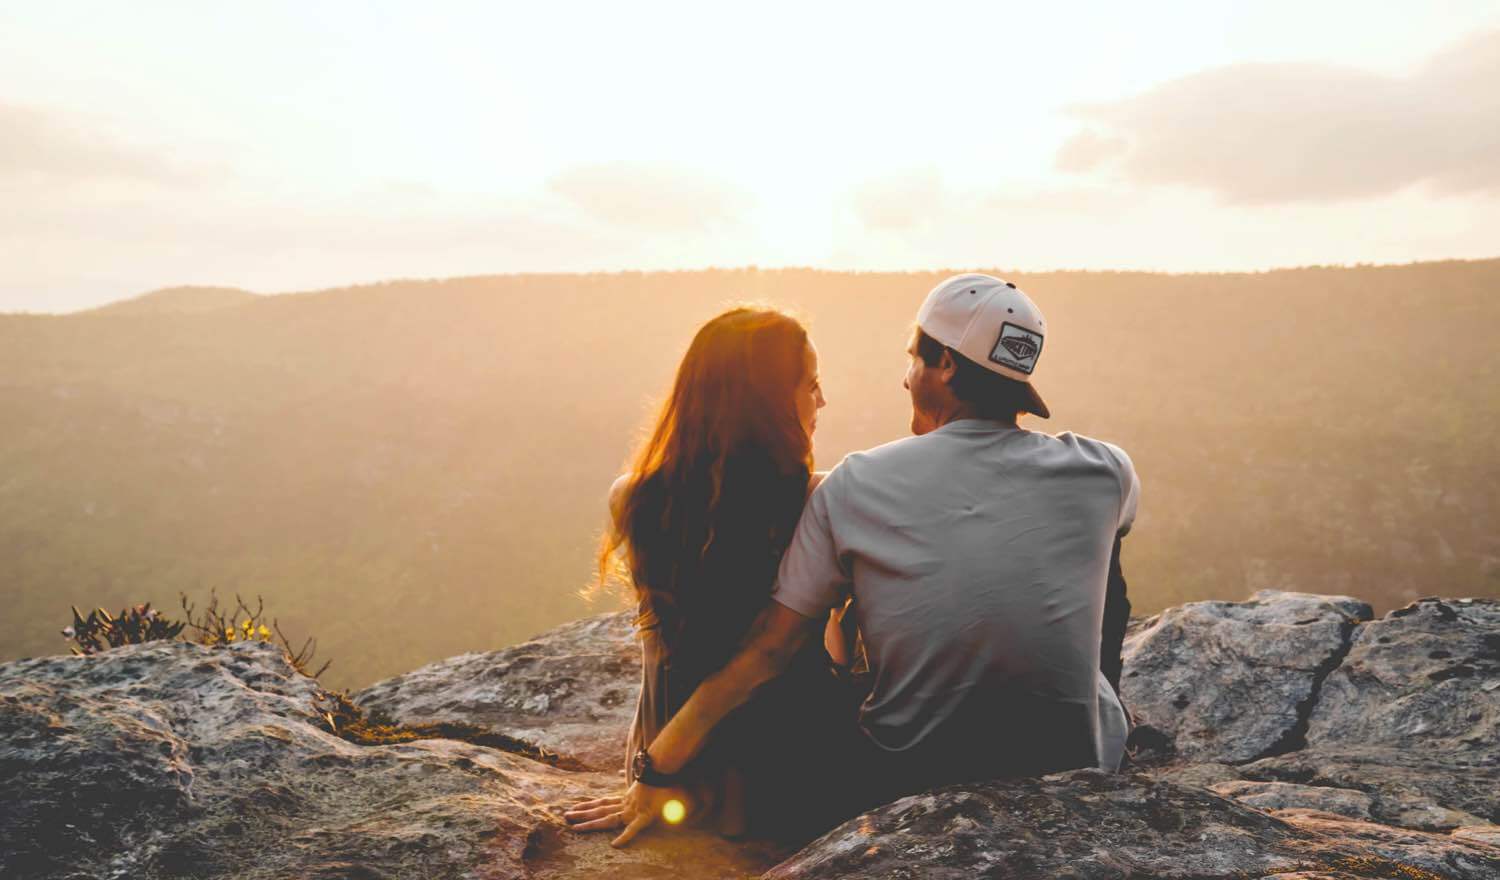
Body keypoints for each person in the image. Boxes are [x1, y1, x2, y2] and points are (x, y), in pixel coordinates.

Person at [566, 273, 1140, 847]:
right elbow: (1103, 579)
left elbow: (769, 649)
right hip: (1075, 768)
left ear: (943, 365)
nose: (904, 376)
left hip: (903, 775)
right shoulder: (1107, 470)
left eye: (914, 358)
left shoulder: (856, 485)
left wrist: (656, 765)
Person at [580, 305, 853, 840]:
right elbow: (771, 654)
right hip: (792, 771)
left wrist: (651, 765)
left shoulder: (632, 498)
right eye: (811, 384)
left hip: (676, 767)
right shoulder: (820, 499)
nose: (822, 400)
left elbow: (657, 654)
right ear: (768, 403)